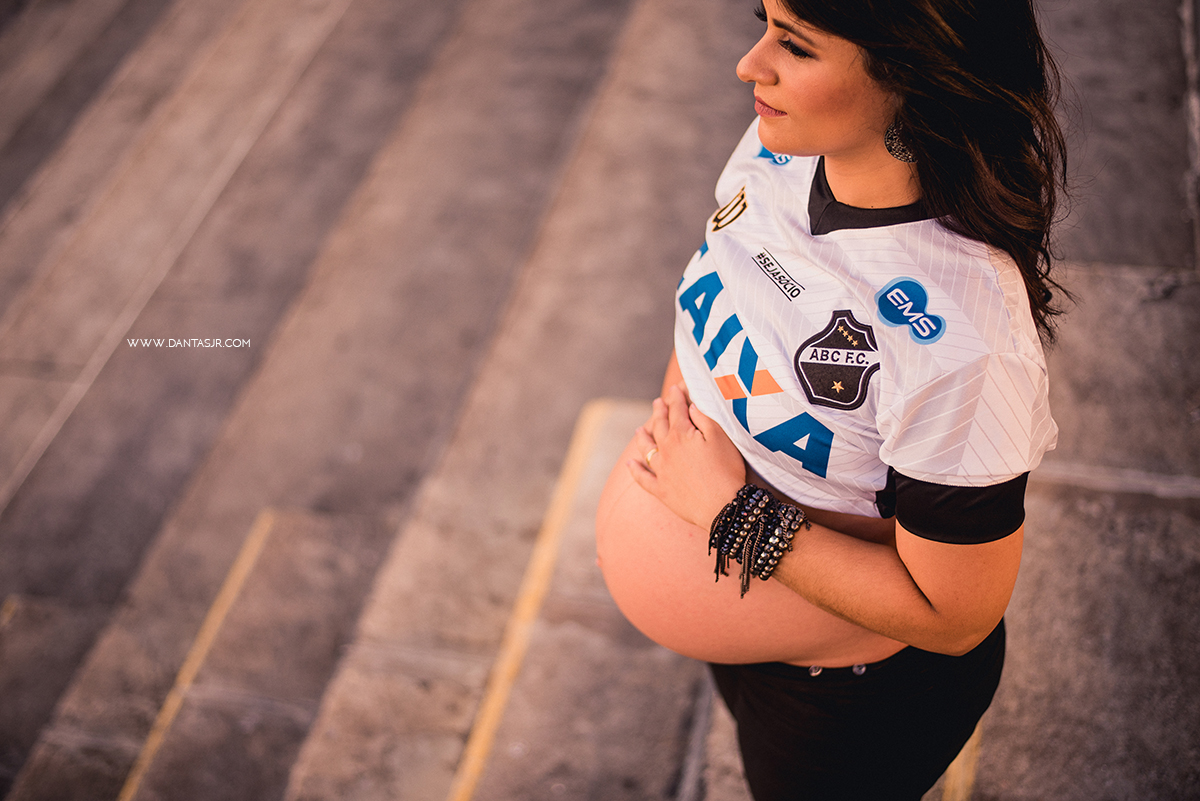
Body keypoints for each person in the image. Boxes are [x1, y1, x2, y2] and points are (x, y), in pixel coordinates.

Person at [595, 0, 1069, 798]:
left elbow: (956, 616)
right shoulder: (779, 144)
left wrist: (728, 514)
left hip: (848, 700)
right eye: (764, 22)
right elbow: (722, 288)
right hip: (754, 628)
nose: (751, 64)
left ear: (909, 75)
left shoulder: (965, 339)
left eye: (796, 46)